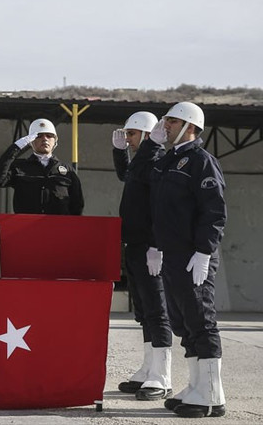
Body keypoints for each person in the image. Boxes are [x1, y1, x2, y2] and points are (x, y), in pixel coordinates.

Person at [137, 101, 227, 418]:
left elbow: (214, 211)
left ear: (190, 125)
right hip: (171, 255)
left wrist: (204, 250)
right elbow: (149, 199)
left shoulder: (202, 162)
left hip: (193, 256)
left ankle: (213, 394)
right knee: (183, 322)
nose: (165, 126)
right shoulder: (166, 162)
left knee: (201, 320)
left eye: (171, 122)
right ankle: (196, 386)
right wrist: (154, 245)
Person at [112, 111, 173, 401]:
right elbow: (127, 174)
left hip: (150, 246)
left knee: (157, 311)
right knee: (145, 312)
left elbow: (160, 209)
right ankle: (149, 368)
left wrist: (156, 245)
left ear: (148, 135)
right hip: (135, 245)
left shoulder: (157, 162)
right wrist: (118, 153)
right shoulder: (143, 162)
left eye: (132, 134)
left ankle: (162, 376)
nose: (128, 139)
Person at [0, 118, 84, 215]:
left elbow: (77, 204)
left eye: (49, 136)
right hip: (26, 225)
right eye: (39, 136)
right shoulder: (20, 167)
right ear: (30, 141)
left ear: (55, 141)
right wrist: (16, 147)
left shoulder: (68, 170)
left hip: (59, 226)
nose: (45, 139)